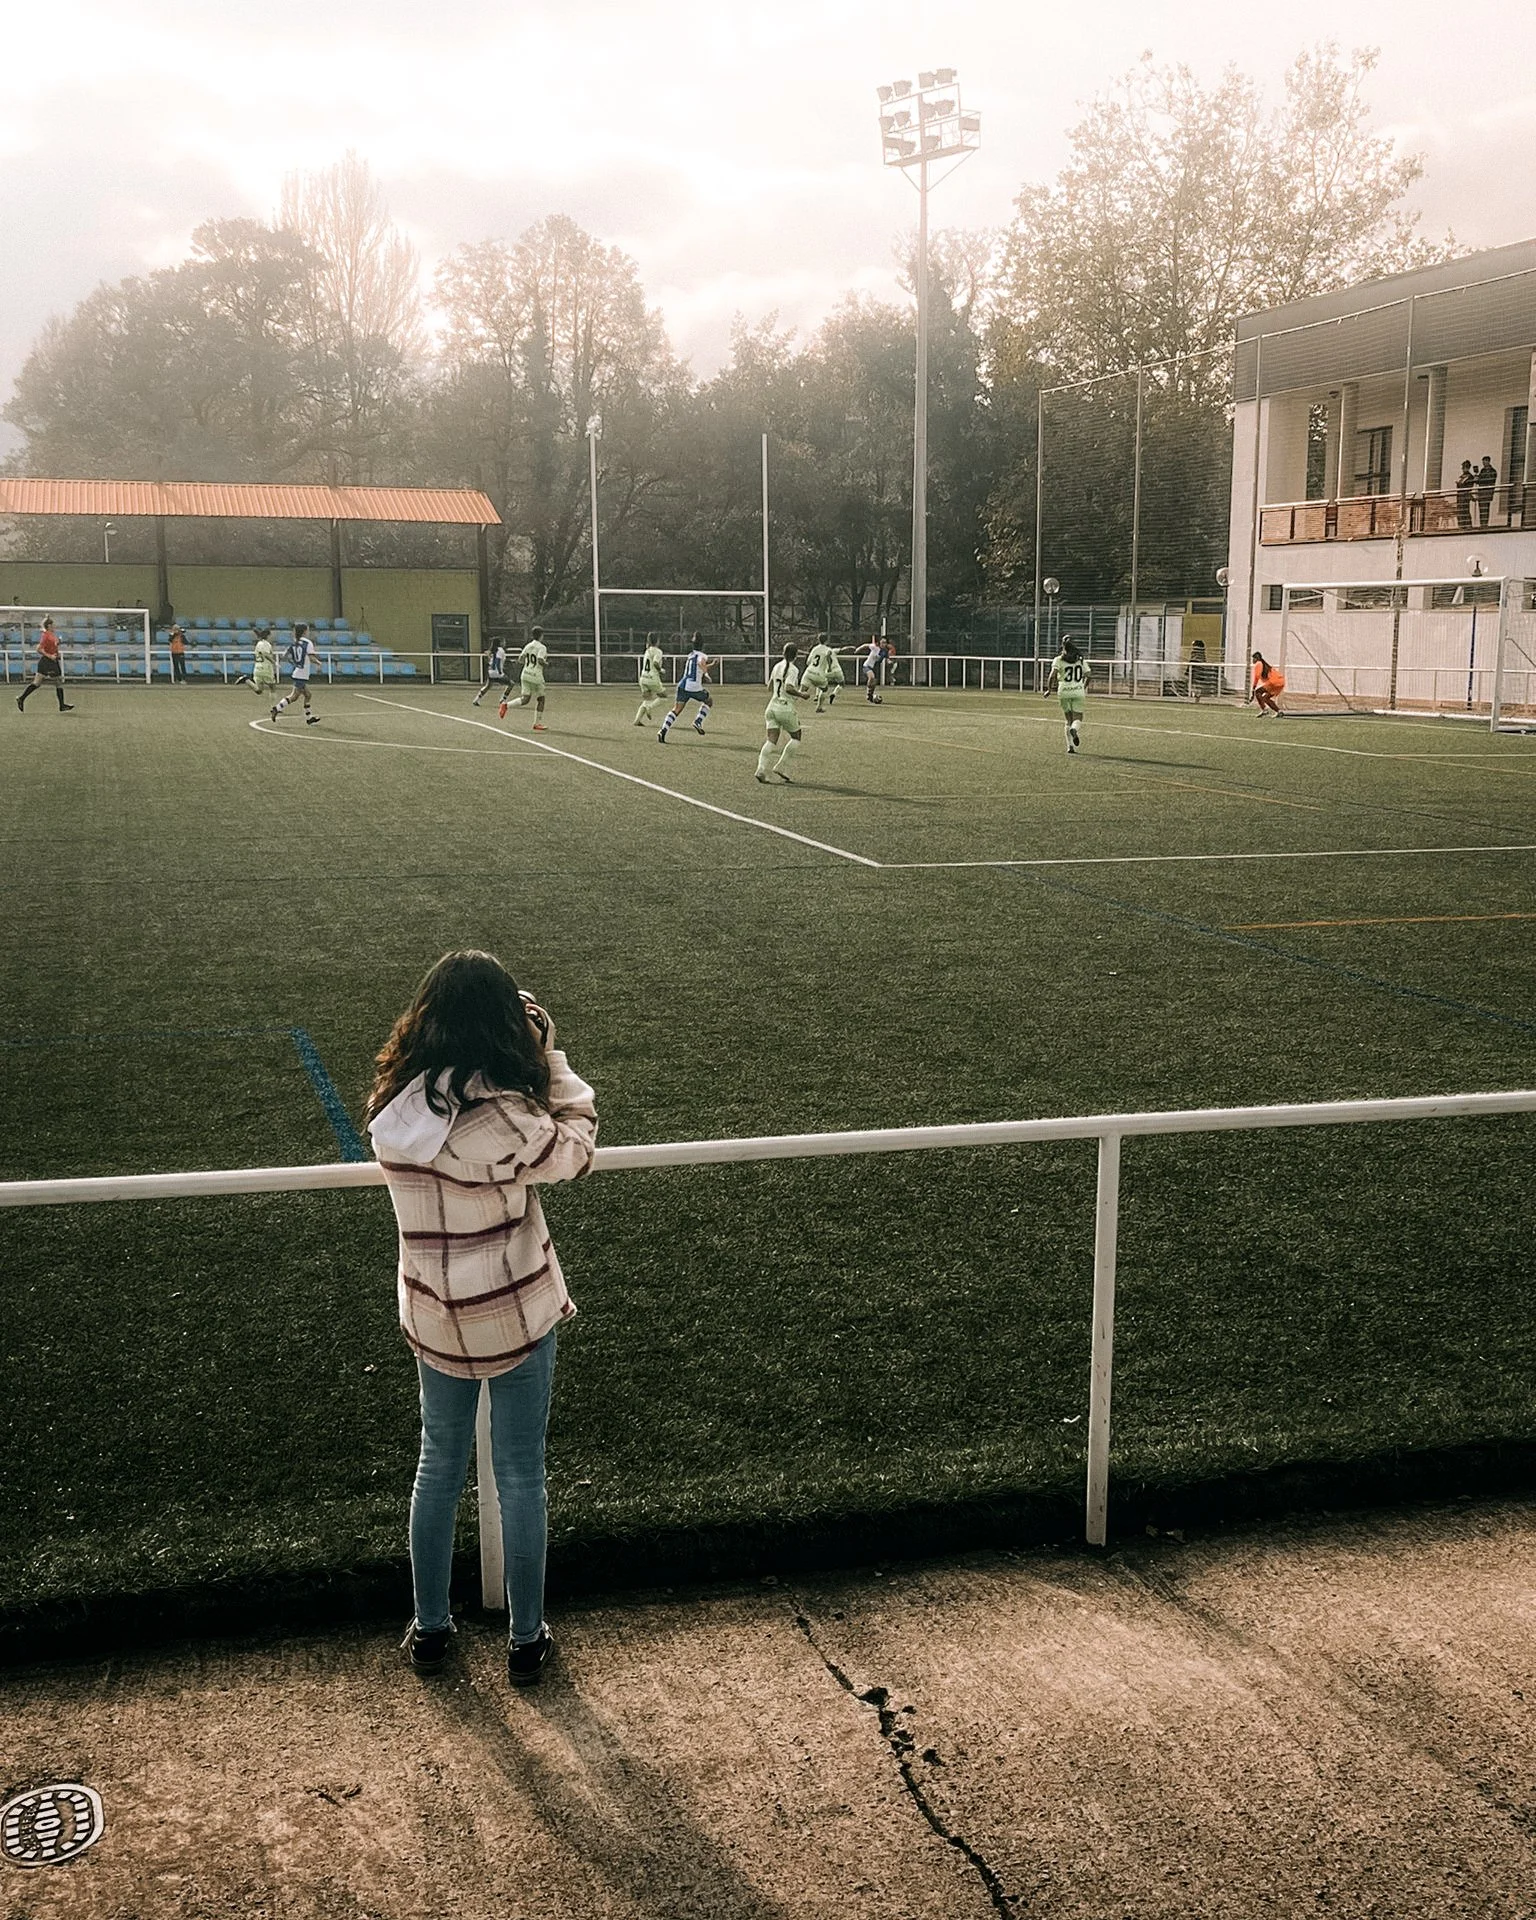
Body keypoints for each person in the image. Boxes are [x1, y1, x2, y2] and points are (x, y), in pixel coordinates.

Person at [367, 950, 598, 1685]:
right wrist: (548, 1053)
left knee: (437, 1467)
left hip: (435, 1312)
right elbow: (577, 1150)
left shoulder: (394, 1106)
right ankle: (525, 1641)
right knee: (520, 1474)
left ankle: (431, 1630)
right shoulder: (503, 1113)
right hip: (512, 1310)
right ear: (501, 1022)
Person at [755, 641, 811, 783]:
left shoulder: (776, 666)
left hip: (771, 707)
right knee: (796, 736)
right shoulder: (793, 669)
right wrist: (801, 694)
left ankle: (761, 769)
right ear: (796, 655)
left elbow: (769, 687)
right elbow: (788, 688)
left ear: (783, 653)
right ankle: (781, 766)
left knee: (771, 740)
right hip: (785, 708)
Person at [657, 635, 713, 742]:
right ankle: (698, 721)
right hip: (694, 686)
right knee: (709, 701)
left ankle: (663, 730)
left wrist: (711, 665)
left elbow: (699, 666)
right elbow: (701, 664)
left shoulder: (691, 655)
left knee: (676, 710)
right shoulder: (702, 655)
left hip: (682, 685)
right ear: (703, 645)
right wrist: (706, 674)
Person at [15, 615, 74, 713]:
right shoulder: (45, 635)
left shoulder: (52, 634)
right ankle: (62, 705)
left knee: (38, 683)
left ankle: (21, 698)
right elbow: (39, 649)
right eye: (52, 624)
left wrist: (57, 652)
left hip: (51, 661)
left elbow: (53, 646)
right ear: (49, 626)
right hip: (47, 662)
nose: (54, 626)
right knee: (57, 682)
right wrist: (50, 656)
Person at [1043, 638, 1089, 753]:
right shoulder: (1080, 660)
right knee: (1078, 717)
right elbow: (1089, 675)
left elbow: (1052, 676)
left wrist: (1049, 689)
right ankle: (1074, 729)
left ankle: (1070, 746)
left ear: (1063, 646)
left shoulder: (1058, 660)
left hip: (1063, 691)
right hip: (1078, 691)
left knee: (1068, 719)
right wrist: (1083, 687)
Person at [270, 623, 320, 725]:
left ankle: (309, 717)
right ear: (304, 631)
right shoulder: (308, 643)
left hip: (298, 672)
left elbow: (284, 655)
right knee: (294, 696)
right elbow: (311, 658)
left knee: (308, 695)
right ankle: (276, 708)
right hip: (302, 674)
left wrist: (294, 662)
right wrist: (319, 663)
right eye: (308, 630)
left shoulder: (294, 643)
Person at [500, 626, 548, 729]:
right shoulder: (542, 647)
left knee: (525, 699)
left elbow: (521, 659)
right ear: (541, 635)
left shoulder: (528, 646)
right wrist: (546, 663)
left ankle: (506, 705)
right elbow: (540, 660)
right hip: (536, 676)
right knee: (541, 699)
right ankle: (537, 723)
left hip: (525, 674)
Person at [801, 637, 847, 713]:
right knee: (824, 689)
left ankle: (787, 702)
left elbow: (808, 662)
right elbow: (828, 656)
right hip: (819, 674)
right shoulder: (828, 649)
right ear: (827, 640)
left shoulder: (814, 649)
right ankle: (819, 707)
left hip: (808, 672)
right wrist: (828, 667)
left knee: (800, 692)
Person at [633, 634, 667, 726]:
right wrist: (661, 670)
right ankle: (650, 707)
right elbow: (656, 663)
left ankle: (637, 720)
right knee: (663, 697)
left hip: (643, 678)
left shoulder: (647, 650)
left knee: (647, 699)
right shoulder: (658, 651)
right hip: (652, 678)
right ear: (657, 641)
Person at [473, 640, 513, 708]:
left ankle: (476, 700)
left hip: (490, 671)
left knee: (487, 686)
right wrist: (500, 672)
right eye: (503, 642)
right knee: (511, 684)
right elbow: (497, 661)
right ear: (500, 643)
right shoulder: (500, 650)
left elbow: (488, 655)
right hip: (496, 672)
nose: (504, 643)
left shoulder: (494, 650)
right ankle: (502, 699)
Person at [1248, 651, 1286, 716]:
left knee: (1257, 692)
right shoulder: (1264, 664)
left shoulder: (1258, 663)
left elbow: (1257, 676)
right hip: (1281, 682)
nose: (1252, 660)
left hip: (1274, 682)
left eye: (1253, 658)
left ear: (1256, 658)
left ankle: (1264, 710)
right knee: (1266, 698)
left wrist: (1253, 688)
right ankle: (1279, 712)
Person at [1475, 455, 1499, 528]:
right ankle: (1482, 523)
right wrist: (1477, 478)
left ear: (1488, 461)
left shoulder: (1492, 471)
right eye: (1483, 461)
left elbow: (1489, 480)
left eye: (1485, 461)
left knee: (1485, 508)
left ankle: (1484, 524)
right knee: (1481, 509)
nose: (1484, 463)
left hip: (1487, 492)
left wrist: (1479, 480)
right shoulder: (1483, 470)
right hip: (1481, 492)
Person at [862, 636, 884, 703]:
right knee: (871, 677)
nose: (884, 644)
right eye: (882, 642)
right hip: (866, 665)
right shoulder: (875, 647)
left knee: (874, 682)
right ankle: (868, 693)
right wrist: (858, 649)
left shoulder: (883, 651)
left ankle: (870, 695)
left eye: (885, 643)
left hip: (872, 667)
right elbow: (865, 645)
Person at [1455, 460, 1476, 530]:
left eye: (1465, 467)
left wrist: (1461, 485)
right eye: (1463, 467)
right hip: (1460, 496)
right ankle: (1461, 525)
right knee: (1460, 510)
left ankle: (1467, 525)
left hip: (1465, 496)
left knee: (1465, 510)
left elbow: (1469, 486)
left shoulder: (1470, 477)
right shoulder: (1461, 477)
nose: (1464, 469)